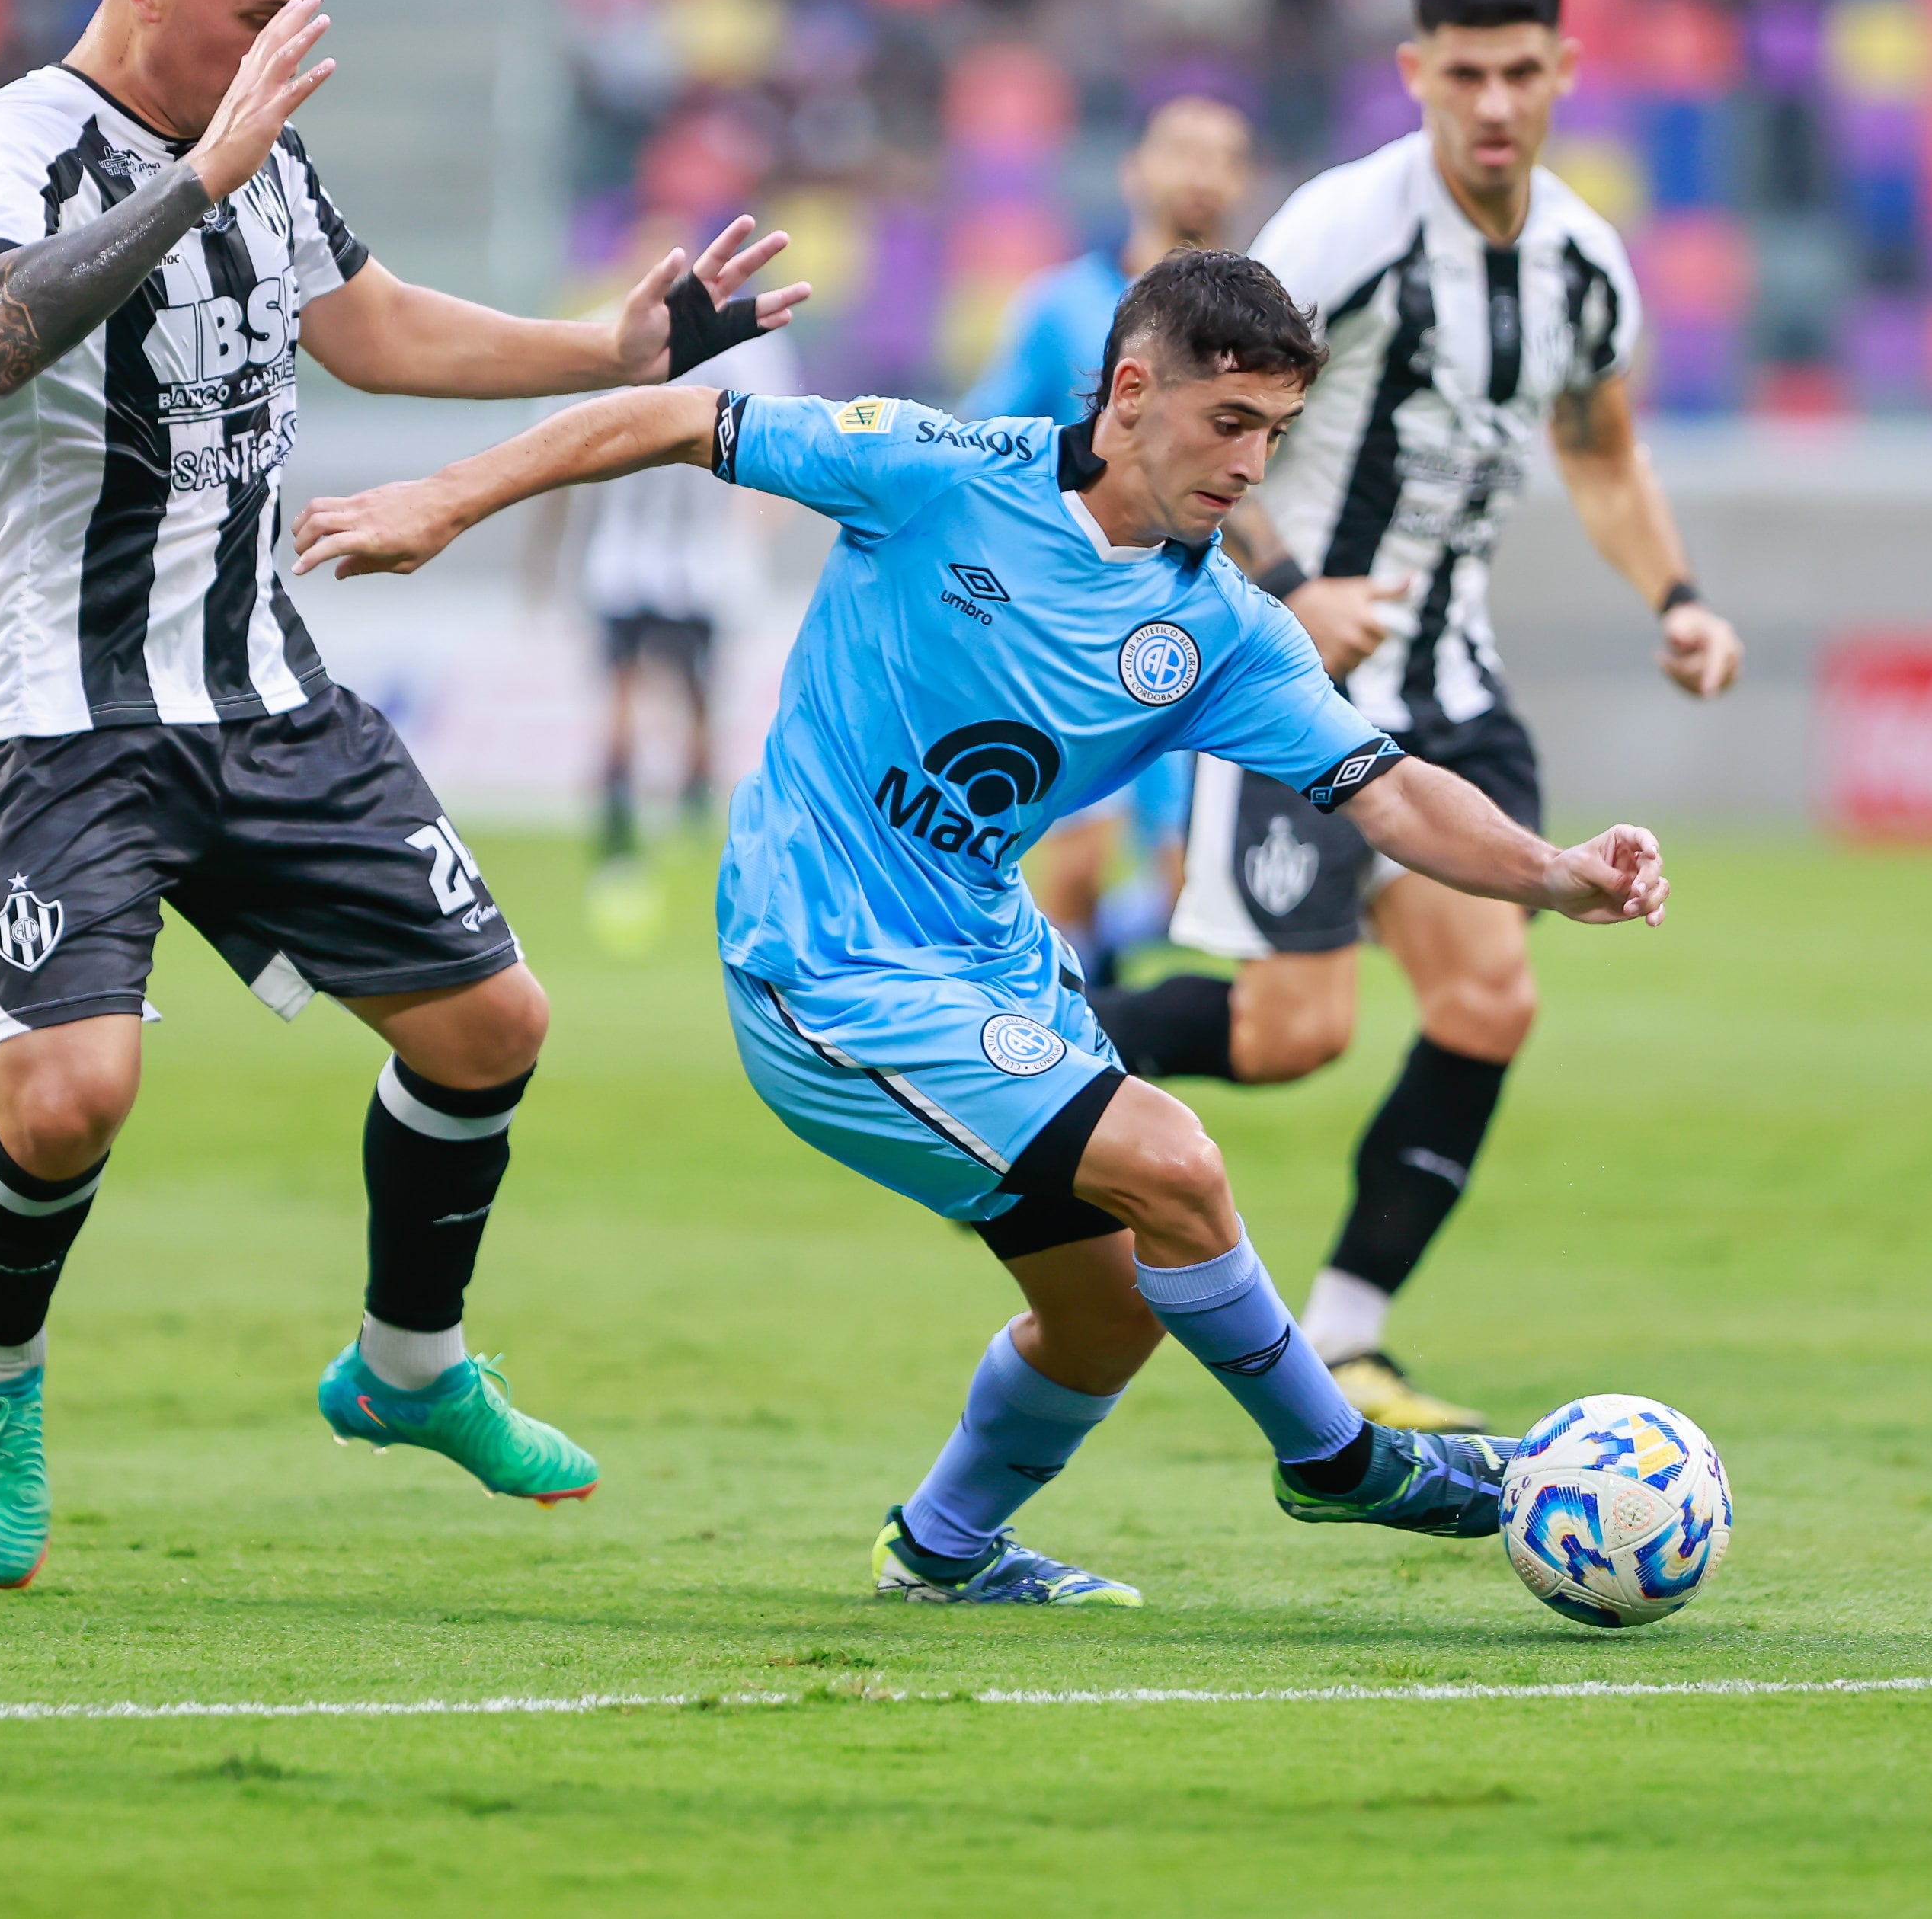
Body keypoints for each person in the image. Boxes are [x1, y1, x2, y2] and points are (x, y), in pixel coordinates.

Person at [292, 250, 1672, 1606]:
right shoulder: (939, 469)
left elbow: (1386, 790)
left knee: (1112, 1309)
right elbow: (672, 414)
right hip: (820, 963)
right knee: (1177, 1167)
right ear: (1132, 392)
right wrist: (445, 499)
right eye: (1231, 422)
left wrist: (1548, 871)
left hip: (990, 965)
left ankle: (941, 1552)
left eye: (1276, 432)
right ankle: (1339, 1458)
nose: (1254, 465)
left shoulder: (1224, 630)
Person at [0, 0, 806, 1590]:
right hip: (45, 712)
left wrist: (614, 349)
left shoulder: (266, 156)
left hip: (262, 689)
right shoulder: (1, 151)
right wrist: (197, 176)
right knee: (68, 1096)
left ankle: (407, 1369)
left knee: (491, 1028)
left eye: (302, 15)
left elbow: (371, 328)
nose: (281, 47)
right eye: (255, 13)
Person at [1090, 0, 1744, 1430]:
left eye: (1522, 72)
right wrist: (1283, 584)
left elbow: (1598, 447)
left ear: (1564, 74)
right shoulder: (1341, 230)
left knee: (1488, 999)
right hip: (1284, 681)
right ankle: (1026, 1045)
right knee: (1289, 1035)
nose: (1495, 102)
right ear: (1416, 76)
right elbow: (1193, 409)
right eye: (1465, 73)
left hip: (1450, 679)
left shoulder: (1581, 265)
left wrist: (1679, 595)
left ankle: (1346, 1332)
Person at [964, 94, 1255, 981]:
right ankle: (1047, 1047)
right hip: (1070, 629)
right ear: (1136, 171)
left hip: (1189, 634)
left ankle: (1083, 1012)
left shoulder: (1255, 326)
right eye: (1182, 149)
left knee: (1181, 889)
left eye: (1222, 156)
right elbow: (983, 441)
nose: (1200, 173)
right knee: (1077, 866)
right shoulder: (1061, 307)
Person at [574, 331, 803, 869]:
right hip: (700, 562)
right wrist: (749, 538)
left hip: (627, 557)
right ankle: (691, 811)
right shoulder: (747, 357)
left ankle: (622, 810)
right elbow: (776, 456)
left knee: (626, 689)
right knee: (694, 691)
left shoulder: (612, 335)